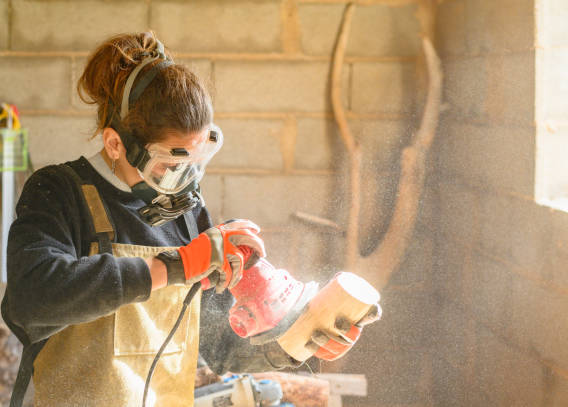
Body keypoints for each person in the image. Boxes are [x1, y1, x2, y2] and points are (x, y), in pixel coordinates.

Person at [1, 32, 379, 407]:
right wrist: (176, 266)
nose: (183, 183)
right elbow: (32, 298)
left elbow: (218, 346)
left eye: (194, 166)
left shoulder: (186, 214)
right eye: (170, 166)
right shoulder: (59, 191)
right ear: (115, 143)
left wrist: (299, 341)